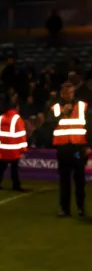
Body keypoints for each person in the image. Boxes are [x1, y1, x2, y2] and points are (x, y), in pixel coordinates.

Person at [47, 82, 92, 217]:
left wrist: (89, 145)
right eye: (67, 93)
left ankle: (80, 208)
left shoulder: (82, 106)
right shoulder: (56, 107)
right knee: (64, 180)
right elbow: (49, 124)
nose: (69, 95)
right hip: (63, 147)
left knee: (80, 180)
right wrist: (62, 114)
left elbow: (89, 127)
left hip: (78, 147)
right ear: (62, 94)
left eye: (71, 92)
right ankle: (64, 208)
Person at [0, 103, 27, 191]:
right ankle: (16, 185)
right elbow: (21, 135)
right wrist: (23, 149)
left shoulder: (0, 118)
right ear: (16, 108)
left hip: (3, 148)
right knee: (14, 168)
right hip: (14, 149)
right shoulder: (17, 119)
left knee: (1, 166)